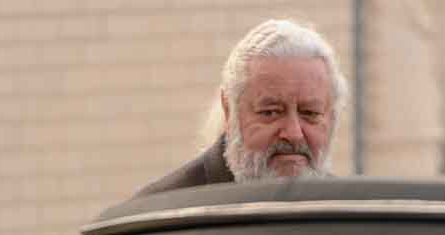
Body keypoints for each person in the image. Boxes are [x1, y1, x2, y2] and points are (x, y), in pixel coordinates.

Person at [136, 17, 347, 197]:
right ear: (229, 111)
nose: (293, 134)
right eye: (271, 112)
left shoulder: (352, 216)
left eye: (309, 113)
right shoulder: (160, 214)